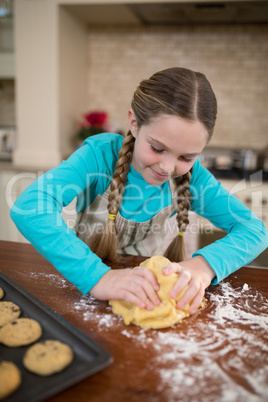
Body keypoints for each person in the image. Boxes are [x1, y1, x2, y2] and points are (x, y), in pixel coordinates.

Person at [10, 67, 268, 316]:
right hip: (84, 291)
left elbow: (256, 231)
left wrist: (204, 265)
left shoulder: (195, 177)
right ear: (134, 122)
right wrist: (98, 277)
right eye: (157, 148)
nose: (167, 168)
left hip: (146, 295)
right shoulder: (98, 156)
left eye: (186, 157)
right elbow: (30, 206)